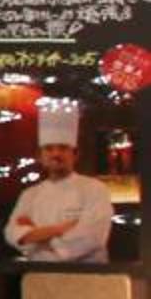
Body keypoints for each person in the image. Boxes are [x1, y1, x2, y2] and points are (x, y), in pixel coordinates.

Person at [8, 98, 116, 263]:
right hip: (39, 274)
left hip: (87, 273)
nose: (56, 154)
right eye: (49, 149)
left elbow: (93, 237)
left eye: (63, 148)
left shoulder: (95, 189)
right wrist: (60, 229)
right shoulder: (29, 194)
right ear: (40, 156)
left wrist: (37, 236)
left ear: (75, 154)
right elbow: (12, 233)